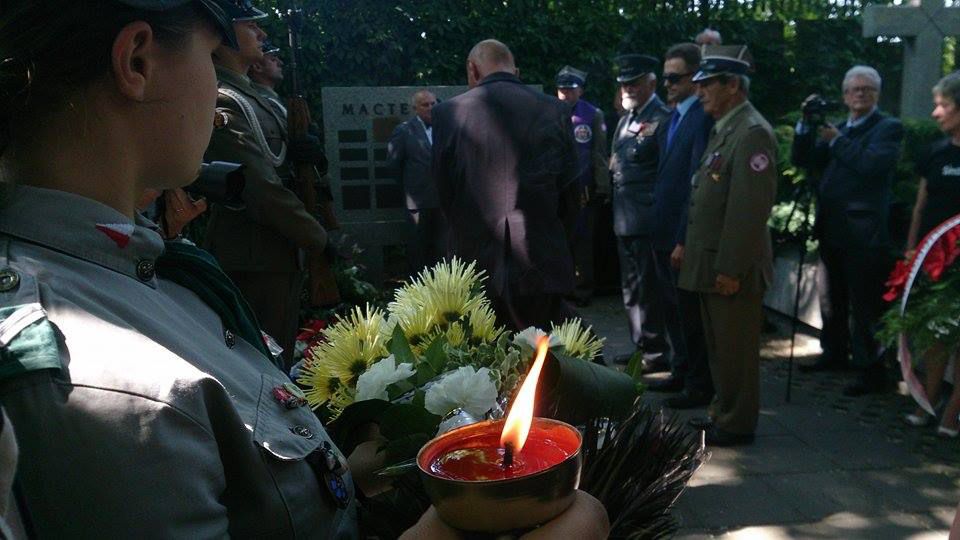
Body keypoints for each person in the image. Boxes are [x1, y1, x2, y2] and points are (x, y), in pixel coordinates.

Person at [0, 2, 608, 536]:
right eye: (211, 56)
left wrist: (348, 473)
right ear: (137, 61)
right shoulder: (93, 375)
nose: (218, 85)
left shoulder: (138, 274)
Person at [202, 7, 330, 367]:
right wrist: (317, 237)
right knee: (257, 364)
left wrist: (311, 156)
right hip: (252, 256)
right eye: (250, 25)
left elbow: (286, 166)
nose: (261, 34)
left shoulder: (254, 96)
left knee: (279, 355)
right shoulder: (223, 98)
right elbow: (258, 186)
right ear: (224, 34)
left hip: (278, 250)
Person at [432, 39, 580, 331]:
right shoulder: (555, 110)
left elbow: (444, 192)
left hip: (475, 262)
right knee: (541, 353)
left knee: (483, 353)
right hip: (540, 258)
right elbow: (570, 192)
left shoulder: (449, 113)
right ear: (516, 72)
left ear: (473, 69)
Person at [679, 45, 778, 446]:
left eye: (707, 84)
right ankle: (723, 411)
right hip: (713, 261)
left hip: (732, 266)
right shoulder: (728, 127)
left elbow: (748, 210)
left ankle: (737, 422)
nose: (699, 91)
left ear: (733, 85)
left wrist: (730, 268)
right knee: (720, 347)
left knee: (735, 349)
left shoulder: (752, 132)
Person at [791, 65, 904, 396]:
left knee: (865, 305)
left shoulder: (888, 128)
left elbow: (871, 166)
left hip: (864, 233)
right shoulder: (837, 128)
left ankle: (871, 371)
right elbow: (804, 160)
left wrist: (838, 142)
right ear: (844, 95)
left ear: (877, 94)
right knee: (831, 298)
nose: (861, 94)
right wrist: (805, 124)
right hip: (832, 227)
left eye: (868, 89)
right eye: (855, 89)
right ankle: (834, 353)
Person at [647, 43, 715, 407]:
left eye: (675, 78)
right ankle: (680, 369)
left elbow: (695, 182)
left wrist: (684, 238)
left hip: (679, 235)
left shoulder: (702, 118)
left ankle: (698, 384)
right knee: (671, 309)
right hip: (661, 231)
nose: (668, 84)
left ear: (695, 77)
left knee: (689, 313)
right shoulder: (673, 117)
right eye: (666, 78)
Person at [902, 71, 960, 438]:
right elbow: (920, 206)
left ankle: (952, 414)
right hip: (934, 259)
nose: (935, 113)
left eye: (944, 105)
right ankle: (928, 401)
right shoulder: (935, 152)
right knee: (936, 334)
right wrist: (912, 248)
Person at [608, 53, 672, 369]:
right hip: (625, 219)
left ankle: (656, 352)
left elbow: (667, 173)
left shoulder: (663, 117)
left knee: (650, 290)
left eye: (634, 83)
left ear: (651, 83)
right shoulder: (626, 120)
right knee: (631, 289)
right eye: (624, 84)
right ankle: (641, 346)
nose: (628, 89)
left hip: (648, 220)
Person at [555, 65, 608, 307]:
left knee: (583, 241)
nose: (565, 94)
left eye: (570, 89)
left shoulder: (592, 114)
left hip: (583, 186)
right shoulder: (549, 111)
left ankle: (583, 289)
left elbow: (599, 152)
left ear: (580, 91)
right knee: (560, 240)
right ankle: (562, 288)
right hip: (558, 187)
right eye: (562, 89)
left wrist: (602, 186)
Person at [387, 89, 445, 275]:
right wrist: (410, 189)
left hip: (443, 202)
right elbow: (393, 165)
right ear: (415, 108)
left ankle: (445, 290)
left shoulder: (445, 129)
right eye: (425, 105)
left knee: (442, 252)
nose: (430, 108)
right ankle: (419, 290)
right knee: (418, 252)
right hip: (417, 202)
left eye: (433, 104)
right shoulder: (403, 131)